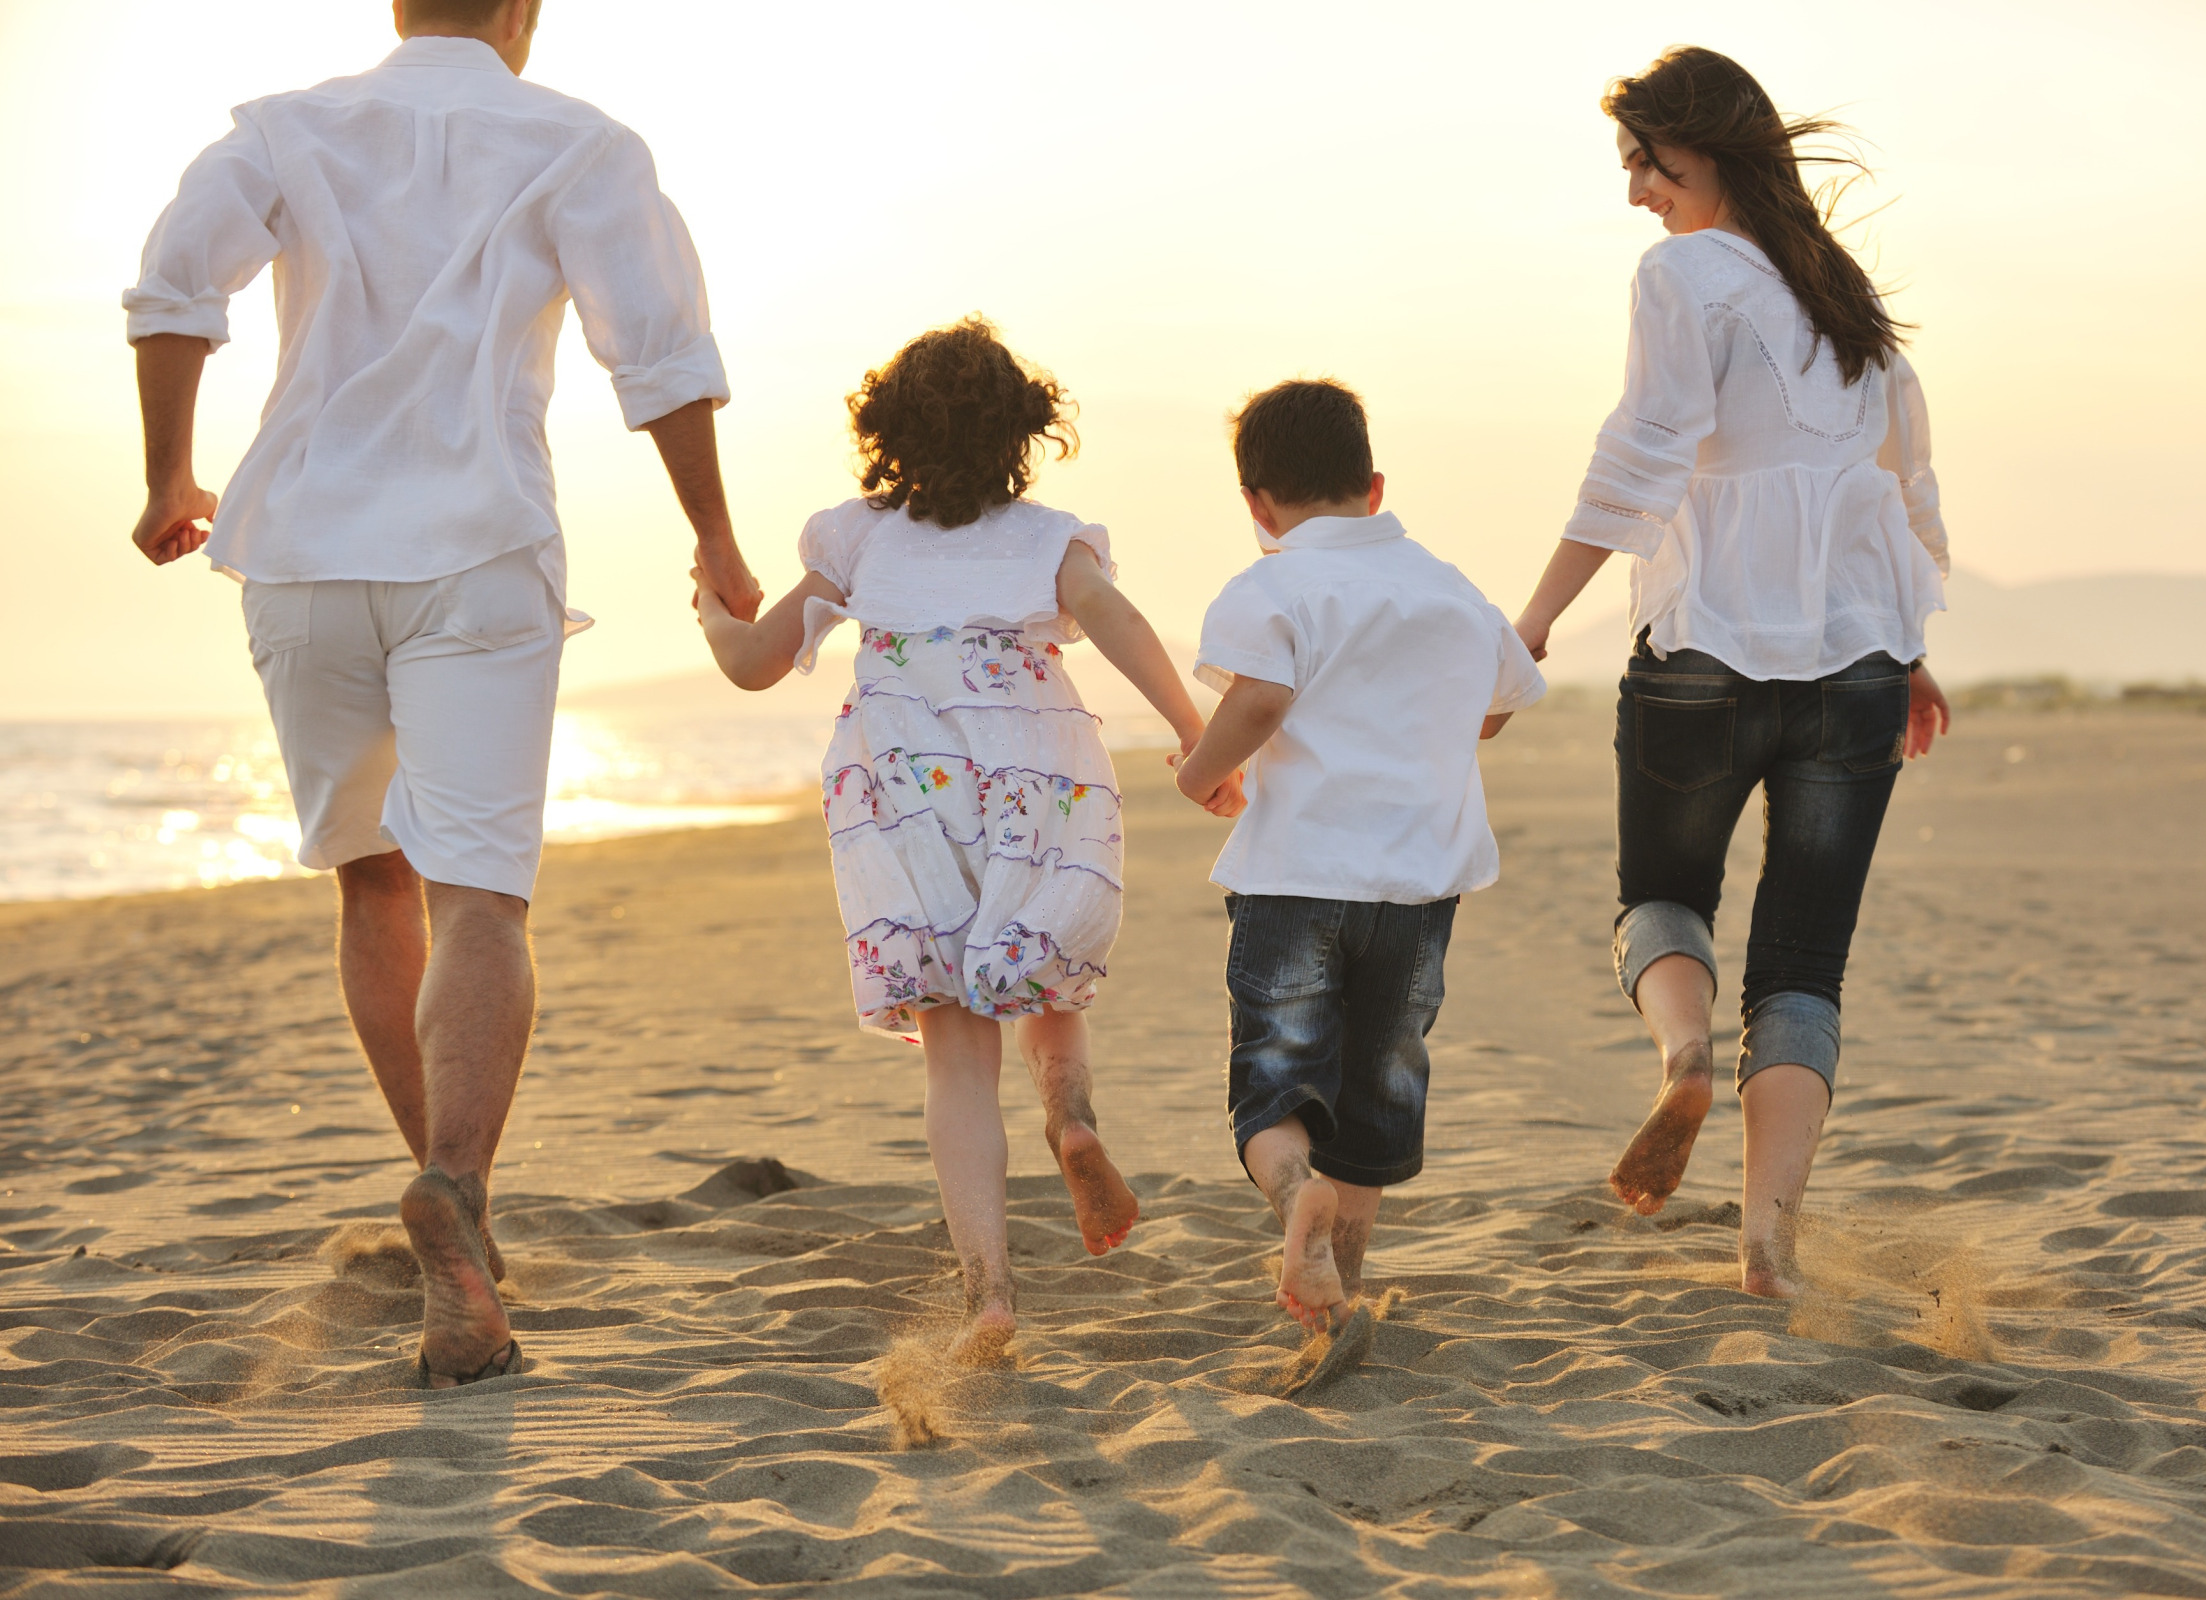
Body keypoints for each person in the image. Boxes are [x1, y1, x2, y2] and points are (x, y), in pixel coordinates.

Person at [122, 0, 762, 1384]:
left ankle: (442, 1182)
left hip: (299, 553)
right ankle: (458, 1191)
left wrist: (170, 476)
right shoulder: (579, 143)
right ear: (523, 12)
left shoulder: (286, 127)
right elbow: (658, 357)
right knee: (482, 895)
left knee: (374, 882)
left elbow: (176, 283)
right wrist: (712, 536)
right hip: (475, 548)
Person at [1510, 47, 1953, 1297]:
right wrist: (1906, 650)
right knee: (1806, 964)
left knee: (1660, 898)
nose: (1638, 192)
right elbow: (1897, 491)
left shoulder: (1683, 275)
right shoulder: (1846, 300)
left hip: (1703, 655)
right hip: (1855, 670)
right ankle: (1767, 1238)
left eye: (1647, 163)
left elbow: (1641, 455)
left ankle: (1682, 1057)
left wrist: (1539, 617)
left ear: (1704, 148)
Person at [695, 318, 1211, 1362]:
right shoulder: (1049, 539)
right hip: (1035, 765)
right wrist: (1196, 733)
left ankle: (989, 1292)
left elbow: (755, 660)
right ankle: (1071, 1121)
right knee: (1044, 976)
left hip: (905, 781)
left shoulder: (859, 537)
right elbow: (1112, 617)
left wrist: (712, 612)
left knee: (955, 1052)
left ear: (885, 430)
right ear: (1023, 431)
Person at [1174, 379, 1546, 1335]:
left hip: (1297, 876)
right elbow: (1497, 705)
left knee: (1276, 1079)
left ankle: (1296, 1191)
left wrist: (1197, 774)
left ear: (1256, 504)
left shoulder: (1271, 585)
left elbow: (1257, 701)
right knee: (1377, 1094)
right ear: (1374, 486)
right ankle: (1333, 1291)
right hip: (1420, 888)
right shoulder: (1449, 587)